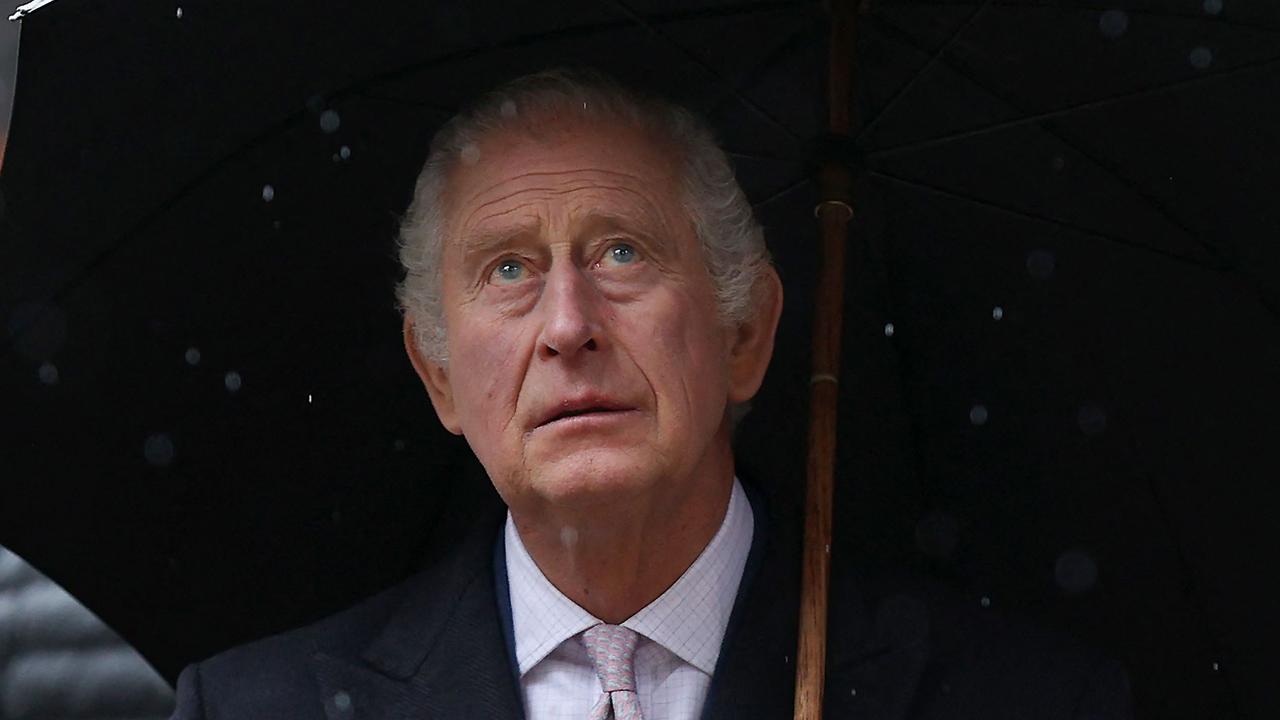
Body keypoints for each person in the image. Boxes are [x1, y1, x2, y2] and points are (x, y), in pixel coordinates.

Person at [169, 68, 1132, 720]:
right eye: (508, 270)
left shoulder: (1019, 699)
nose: (566, 323)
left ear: (745, 332)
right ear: (439, 376)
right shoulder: (257, 708)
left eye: (622, 251)